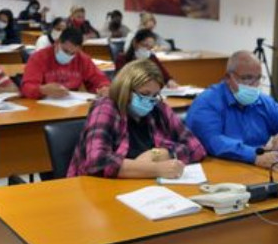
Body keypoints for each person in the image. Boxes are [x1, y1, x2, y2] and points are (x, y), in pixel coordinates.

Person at [67, 59, 206, 178]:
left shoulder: (158, 107)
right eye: (144, 94)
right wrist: (155, 169)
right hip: (98, 187)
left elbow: (196, 147)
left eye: (154, 95)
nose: (149, 100)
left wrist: (162, 153)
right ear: (126, 89)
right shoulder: (106, 107)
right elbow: (97, 162)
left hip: (143, 186)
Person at [186, 51, 278, 172]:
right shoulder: (206, 103)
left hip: (259, 168)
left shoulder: (263, 101)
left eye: (258, 78)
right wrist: (254, 155)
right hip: (220, 169)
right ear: (228, 78)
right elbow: (213, 141)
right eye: (247, 78)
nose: (254, 85)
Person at [21, 27, 110, 99]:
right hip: (43, 104)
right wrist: (42, 90)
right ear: (57, 43)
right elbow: (27, 87)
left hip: (71, 104)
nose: (68, 55)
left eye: (73, 53)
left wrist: (104, 88)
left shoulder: (82, 59)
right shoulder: (39, 57)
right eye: (65, 51)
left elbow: (99, 79)